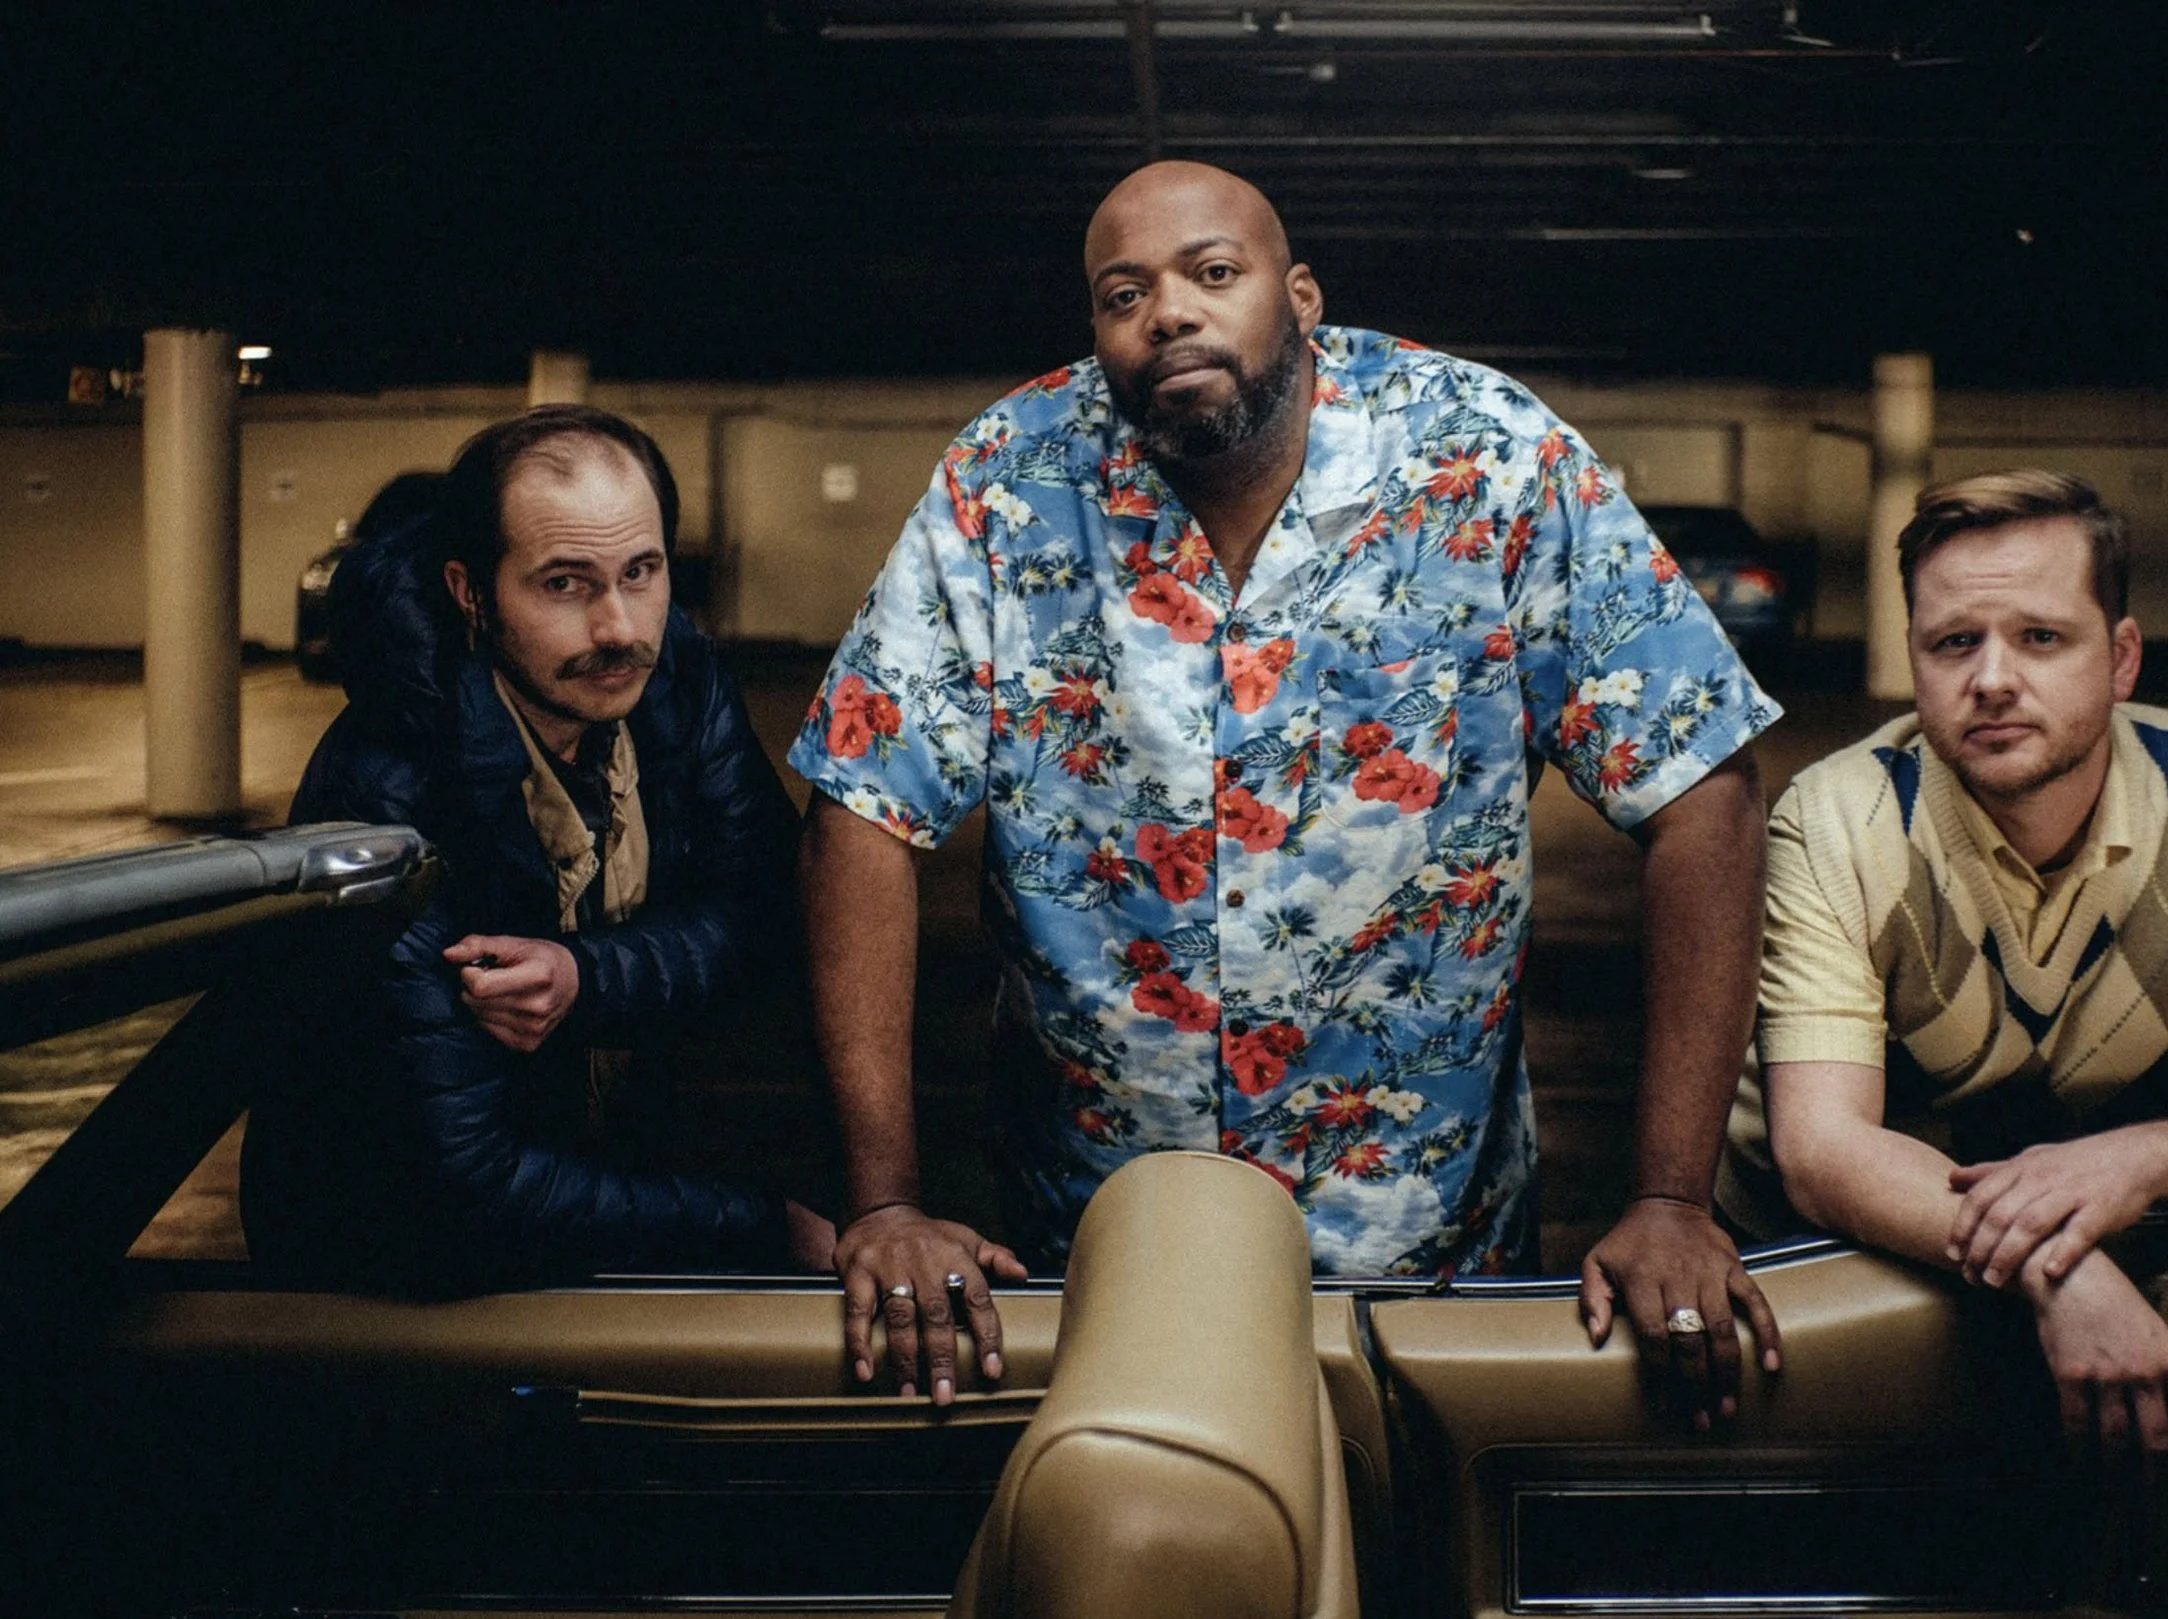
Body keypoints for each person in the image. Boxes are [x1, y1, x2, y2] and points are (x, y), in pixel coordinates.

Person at [790, 160, 1785, 1412]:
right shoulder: (1006, 483)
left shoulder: (1484, 456)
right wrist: (884, 1198)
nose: (1169, 312)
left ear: (1300, 295)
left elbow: (1702, 782)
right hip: (1096, 1237)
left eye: (1214, 273)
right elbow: (858, 808)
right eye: (1122, 292)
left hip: (1424, 1245)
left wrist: (1668, 1196)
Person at [1718, 469, 2168, 1484]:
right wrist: (2058, 1267)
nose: (1991, 677)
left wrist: (2152, 1153)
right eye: (1954, 641)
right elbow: (1823, 1150)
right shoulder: (1836, 816)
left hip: (2091, 1229)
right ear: (1915, 657)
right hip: (1815, 1257)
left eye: (2040, 637)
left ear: (2120, 658)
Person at [242, 405, 838, 1291]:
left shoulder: (677, 680)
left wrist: (585, 976)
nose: (619, 628)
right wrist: (763, 1226)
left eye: (642, 572)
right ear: (470, 591)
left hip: (588, 1186)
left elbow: (772, 915)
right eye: (565, 584)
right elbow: (459, 1179)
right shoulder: (388, 783)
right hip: (378, 1267)